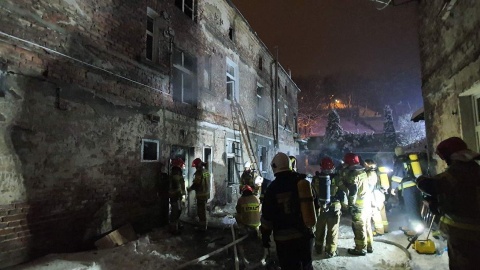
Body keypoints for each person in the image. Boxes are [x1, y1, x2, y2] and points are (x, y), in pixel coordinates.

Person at [417, 137, 480, 270]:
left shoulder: (458, 172)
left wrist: (420, 178)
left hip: (464, 235)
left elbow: (431, 185)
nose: (445, 162)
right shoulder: (475, 169)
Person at [260, 152, 316, 269]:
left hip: (284, 241)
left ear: (274, 167)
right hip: (304, 236)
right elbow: (315, 205)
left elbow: (267, 218)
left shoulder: (272, 189)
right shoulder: (302, 183)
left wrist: (265, 238)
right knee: (306, 266)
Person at [338, 153, 373, 256]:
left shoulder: (353, 175)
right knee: (367, 225)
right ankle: (369, 246)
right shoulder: (362, 172)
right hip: (366, 203)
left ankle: (360, 249)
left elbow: (352, 190)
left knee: (358, 227)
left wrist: (351, 205)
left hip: (358, 205)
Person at [312, 157, 342, 258]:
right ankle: (331, 251)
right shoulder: (337, 178)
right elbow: (343, 191)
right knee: (332, 230)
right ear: (332, 167)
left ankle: (318, 248)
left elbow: (313, 193)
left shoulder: (316, 178)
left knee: (319, 229)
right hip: (334, 207)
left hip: (321, 207)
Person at [391, 146, 423, 235]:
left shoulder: (399, 161)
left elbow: (398, 176)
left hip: (407, 188)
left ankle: (415, 230)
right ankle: (409, 226)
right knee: (411, 208)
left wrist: (393, 187)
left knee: (411, 209)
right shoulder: (408, 159)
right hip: (414, 186)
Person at [235, 185, 261, 264]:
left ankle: (242, 229)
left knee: (236, 215)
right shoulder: (257, 198)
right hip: (257, 223)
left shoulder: (241, 199)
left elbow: (238, 210)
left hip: (247, 224)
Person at [364, 159, 389, 236]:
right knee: (382, 211)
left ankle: (379, 231)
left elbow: (370, 186)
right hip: (381, 194)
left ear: (368, 164)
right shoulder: (379, 171)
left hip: (374, 195)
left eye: (365, 164)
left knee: (375, 212)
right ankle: (385, 228)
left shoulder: (370, 173)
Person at [187, 158, 210, 231]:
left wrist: (190, 189)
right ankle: (204, 226)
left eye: (196, 166)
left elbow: (196, 183)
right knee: (203, 210)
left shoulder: (199, 172)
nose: (195, 168)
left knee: (201, 212)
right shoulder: (206, 171)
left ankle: (202, 228)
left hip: (201, 194)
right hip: (206, 194)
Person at [168, 158, 186, 235]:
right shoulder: (175, 176)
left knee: (178, 211)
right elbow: (178, 187)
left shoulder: (176, 175)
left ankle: (177, 225)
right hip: (175, 196)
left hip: (176, 196)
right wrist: (182, 193)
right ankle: (173, 229)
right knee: (175, 212)